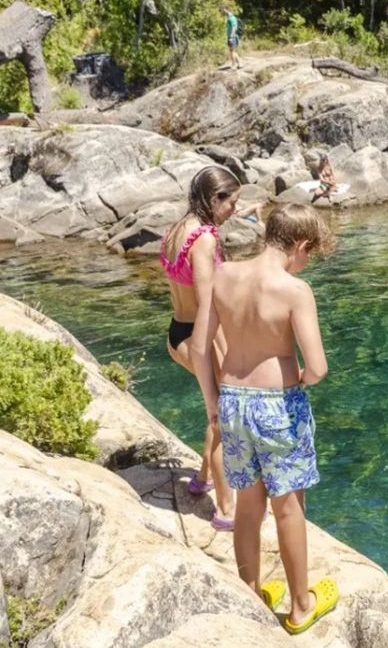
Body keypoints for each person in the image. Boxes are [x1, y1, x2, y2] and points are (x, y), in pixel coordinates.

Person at [191, 204, 339, 634]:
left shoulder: (224, 276)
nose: (306, 262)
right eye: (310, 254)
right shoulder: (295, 290)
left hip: (232, 400)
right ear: (301, 245)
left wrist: (212, 403)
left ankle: (250, 591)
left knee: (249, 504)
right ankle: (299, 606)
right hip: (278, 405)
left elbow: (201, 348)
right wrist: (300, 381)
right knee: (289, 507)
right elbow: (318, 366)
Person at [160, 166, 238, 530]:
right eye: (230, 202)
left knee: (219, 410)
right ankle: (226, 510)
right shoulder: (205, 238)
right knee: (223, 416)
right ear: (213, 199)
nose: (234, 210)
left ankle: (202, 477)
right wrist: (210, 378)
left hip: (178, 331)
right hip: (199, 337)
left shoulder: (178, 229)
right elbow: (207, 305)